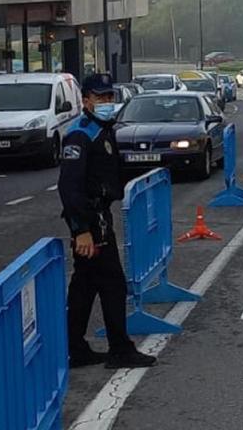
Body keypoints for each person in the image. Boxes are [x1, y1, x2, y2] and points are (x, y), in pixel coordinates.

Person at [59, 73, 156, 370]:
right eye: (100, 97)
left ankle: (74, 347)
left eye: (110, 97)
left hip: (98, 214)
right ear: (86, 100)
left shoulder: (102, 129)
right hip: (91, 220)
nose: (107, 102)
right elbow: (70, 187)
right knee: (112, 284)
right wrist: (82, 230)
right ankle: (120, 350)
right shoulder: (81, 134)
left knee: (84, 286)